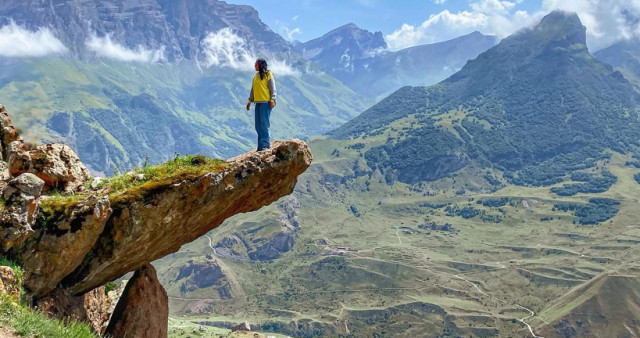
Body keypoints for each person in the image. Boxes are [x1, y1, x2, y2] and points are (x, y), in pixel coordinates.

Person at [246, 58, 276, 151]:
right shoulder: (256, 76)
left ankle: (266, 145)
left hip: (266, 103)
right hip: (258, 103)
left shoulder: (268, 74)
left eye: (256, 64)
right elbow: (253, 90)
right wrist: (249, 101)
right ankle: (260, 147)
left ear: (260, 65)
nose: (254, 66)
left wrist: (272, 100)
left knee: (264, 124)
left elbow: (273, 88)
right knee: (258, 125)